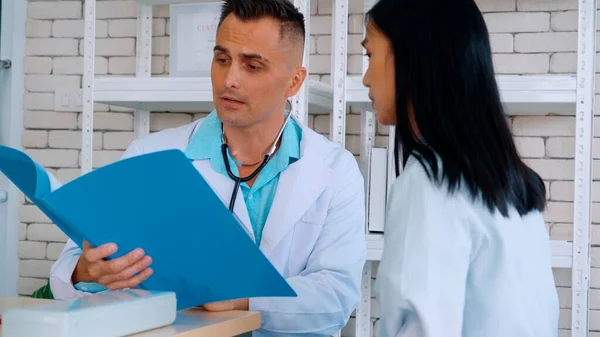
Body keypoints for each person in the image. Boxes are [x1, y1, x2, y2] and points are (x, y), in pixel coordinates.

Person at [49, 0, 366, 335]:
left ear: (294, 81)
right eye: (222, 59)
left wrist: (243, 300)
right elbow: (68, 270)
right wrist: (87, 272)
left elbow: (336, 298)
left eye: (253, 66)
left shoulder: (335, 169)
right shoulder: (150, 155)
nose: (230, 80)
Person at [361, 0, 560, 336]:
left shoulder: (429, 183)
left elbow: (423, 328)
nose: (366, 79)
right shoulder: (509, 180)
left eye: (370, 56)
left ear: (414, 59)